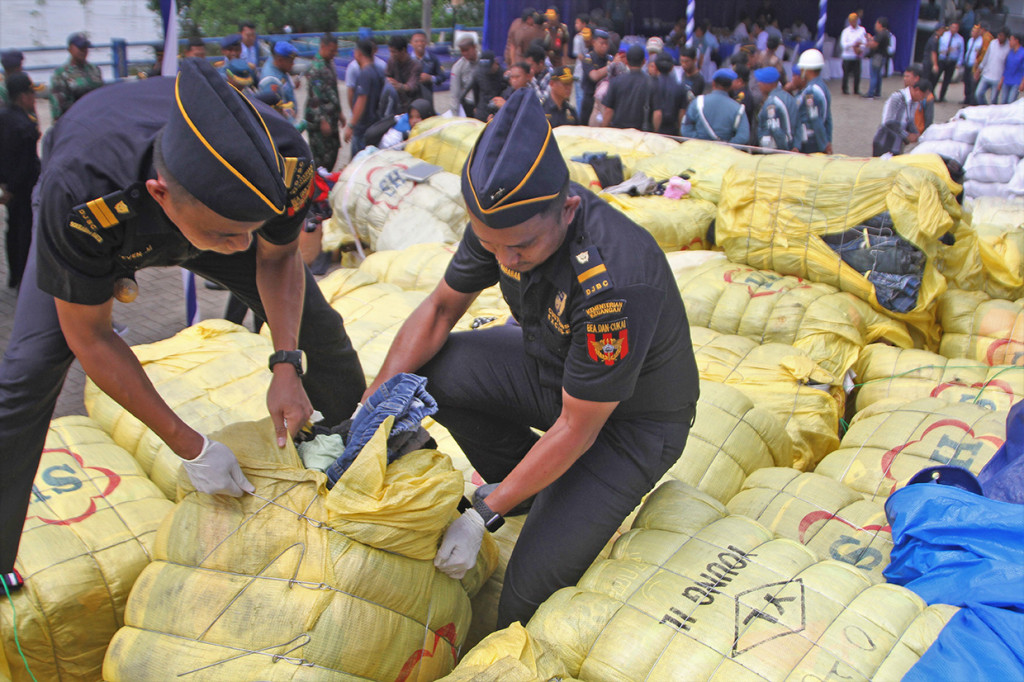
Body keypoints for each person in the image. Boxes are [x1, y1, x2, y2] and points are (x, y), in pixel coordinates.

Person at [0, 58, 366, 592]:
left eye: (251, 229)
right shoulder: (82, 195)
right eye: (226, 235)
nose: (240, 247)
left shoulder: (283, 160)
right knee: (26, 375)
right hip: (109, 215)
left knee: (320, 332)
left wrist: (286, 362)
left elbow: (276, 258)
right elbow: (90, 336)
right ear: (160, 195)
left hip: (203, 213)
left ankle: (349, 457)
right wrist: (191, 445)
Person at [364, 87, 698, 629]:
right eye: (492, 245)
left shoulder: (612, 281)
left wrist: (482, 515)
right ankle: (525, 490)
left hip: (627, 424)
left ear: (568, 209)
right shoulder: (504, 227)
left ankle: (541, 496)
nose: (506, 258)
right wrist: (374, 402)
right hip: (556, 372)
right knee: (434, 369)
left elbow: (577, 427)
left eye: (520, 247)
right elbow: (440, 310)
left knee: (522, 601)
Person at [0, 73, 40, 289]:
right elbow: (26, 164)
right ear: (23, 96)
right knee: (24, 231)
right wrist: (13, 189)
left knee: (12, 228)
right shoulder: (25, 125)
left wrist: (4, 187)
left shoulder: (3, 116)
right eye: (32, 94)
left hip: (8, 186)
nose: (34, 98)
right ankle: (24, 278)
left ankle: (14, 275)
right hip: (23, 188)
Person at [304, 33, 344, 171]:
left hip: (331, 117)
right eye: (332, 50)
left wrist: (340, 112)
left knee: (333, 151)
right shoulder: (316, 68)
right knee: (322, 158)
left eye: (335, 51)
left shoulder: (329, 64)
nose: (334, 54)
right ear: (323, 46)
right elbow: (314, 97)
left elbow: (332, 91)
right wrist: (322, 120)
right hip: (319, 121)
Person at [681, 68, 749, 144]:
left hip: (698, 149)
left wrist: (699, 141)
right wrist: (728, 146)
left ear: (713, 83)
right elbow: (743, 136)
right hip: (723, 150)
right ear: (731, 86)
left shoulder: (697, 102)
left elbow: (685, 129)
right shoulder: (738, 108)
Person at [49, 32, 103, 121]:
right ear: (70, 49)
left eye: (85, 48)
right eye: (80, 48)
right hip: (74, 121)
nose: (83, 51)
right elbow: (58, 108)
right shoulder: (61, 74)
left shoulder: (95, 70)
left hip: (95, 119)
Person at [345, 39, 386, 155]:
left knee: (358, 160)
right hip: (375, 124)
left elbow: (361, 100)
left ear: (358, 53)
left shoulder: (365, 74)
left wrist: (351, 125)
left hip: (363, 127)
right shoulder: (378, 71)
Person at [602, 44, 653, 130]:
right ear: (644, 61)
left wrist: (603, 130)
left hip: (620, 131)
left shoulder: (616, 81)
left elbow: (608, 111)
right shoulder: (651, 83)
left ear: (626, 62)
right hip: (641, 132)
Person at [872, 79, 929, 156]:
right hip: (884, 142)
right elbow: (889, 122)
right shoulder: (897, 97)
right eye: (923, 96)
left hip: (897, 145)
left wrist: (916, 134)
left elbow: (910, 120)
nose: (922, 99)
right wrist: (907, 135)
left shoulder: (915, 102)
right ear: (917, 90)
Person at [795, 49, 832, 154]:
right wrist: (828, 140)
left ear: (808, 70)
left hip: (811, 139)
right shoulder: (823, 86)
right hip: (818, 138)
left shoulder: (811, 91)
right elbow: (828, 118)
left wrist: (823, 145)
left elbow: (815, 119)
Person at [753, 67, 796, 151]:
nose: (758, 84)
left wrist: (784, 151)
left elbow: (776, 130)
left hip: (776, 151)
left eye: (761, 81)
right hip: (790, 146)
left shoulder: (772, 102)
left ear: (768, 84)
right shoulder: (788, 97)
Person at [259, 42, 299, 126]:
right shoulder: (271, 80)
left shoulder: (279, 68)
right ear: (280, 60)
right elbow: (274, 112)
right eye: (290, 61)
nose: (293, 64)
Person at [579, 29, 611, 126]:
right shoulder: (589, 58)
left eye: (606, 44)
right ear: (594, 42)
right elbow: (594, 76)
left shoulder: (609, 59)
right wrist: (610, 67)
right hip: (590, 98)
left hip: (604, 100)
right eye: (601, 43)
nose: (604, 46)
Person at [652, 53, 686, 135]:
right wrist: (680, 132)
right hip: (672, 129)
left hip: (654, 129)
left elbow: (657, 113)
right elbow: (682, 112)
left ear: (655, 67)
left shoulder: (651, 85)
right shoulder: (680, 87)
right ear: (672, 68)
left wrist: (655, 132)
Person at [975, 27, 1009, 104]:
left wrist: (1003, 79)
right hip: (986, 74)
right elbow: (986, 58)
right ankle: (985, 107)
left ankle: (991, 110)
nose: (1000, 37)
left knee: (993, 99)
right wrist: (979, 69)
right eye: (999, 35)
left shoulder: (1008, 47)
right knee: (978, 94)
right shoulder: (993, 43)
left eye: (1002, 36)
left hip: (997, 77)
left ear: (1006, 37)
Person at [471, 52, 509, 120]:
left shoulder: (504, 75)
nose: (486, 71)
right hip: (482, 111)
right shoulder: (478, 74)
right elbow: (475, 91)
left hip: (497, 112)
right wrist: (476, 107)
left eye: (489, 67)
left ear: (495, 63)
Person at [449, 35, 480, 117]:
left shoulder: (484, 61)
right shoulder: (458, 67)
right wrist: (455, 116)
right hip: (469, 105)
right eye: (462, 51)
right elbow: (455, 94)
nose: (465, 54)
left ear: (474, 47)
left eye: (467, 50)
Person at [411, 30, 446, 102]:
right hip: (410, 96)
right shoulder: (407, 59)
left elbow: (442, 76)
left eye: (422, 41)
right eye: (416, 41)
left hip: (427, 97)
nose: (419, 44)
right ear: (411, 43)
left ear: (426, 42)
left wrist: (430, 78)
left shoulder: (433, 59)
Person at [936, 21, 964, 102]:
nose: (954, 29)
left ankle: (941, 96)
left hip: (951, 61)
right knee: (936, 77)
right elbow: (938, 46)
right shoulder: (944, 35)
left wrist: (959, 62)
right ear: (950, 27)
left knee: (947, 80)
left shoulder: (960, 39)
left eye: (956, 28)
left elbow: (961, 51)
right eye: (953, 27)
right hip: (942, 59)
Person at [840, 13, 868, 95]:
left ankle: (856, 89)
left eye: (855, 20)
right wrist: (853, 44)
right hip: (847, 56)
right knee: (846, 74)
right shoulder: (845, 31)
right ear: (849, 21)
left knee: (857, 74)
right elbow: (843, 45)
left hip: (857, 56)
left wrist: (860, 48)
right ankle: (845, 89)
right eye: (852, 21)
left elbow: (864, 42)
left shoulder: (862, 30)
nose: (854, 22)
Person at [903, 65, 935, 134]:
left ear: (916, 78)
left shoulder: (927, 97)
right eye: (904, 76)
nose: (905, 79)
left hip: (918, 134)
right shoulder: (902, 94)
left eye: (908, 76)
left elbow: (928, 120)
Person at [865, 17, 891, 99]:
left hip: (877, 56)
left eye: (876, 23)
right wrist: (871, 38)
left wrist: (868, 44)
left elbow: (875, 45)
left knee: (874, 75)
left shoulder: (881, 34)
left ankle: (870, 93)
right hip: (882, 56)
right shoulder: (886, 33)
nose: (875, 25)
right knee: (878, 75)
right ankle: (877, 92)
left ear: (880, 24)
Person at [997, 33, 1024, 103]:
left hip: (1016, 81)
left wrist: (1022, 83)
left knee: (1011, 101)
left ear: (1016, 41)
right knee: (1003, 101)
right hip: (1006, 80)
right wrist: (1001, 81)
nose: (1009, 42)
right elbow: (1006, 67)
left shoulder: (1022, 53)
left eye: (1011, 40)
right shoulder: (1010, 52)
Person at [963, 23, 986, 104]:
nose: (972, 33)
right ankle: (966, 98)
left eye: (975, 32)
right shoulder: (970, 40)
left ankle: (972, 100)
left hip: (974, 66)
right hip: (967, 63)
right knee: (966, 82)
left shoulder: (981, 42)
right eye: (972, 31)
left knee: (972, 83)